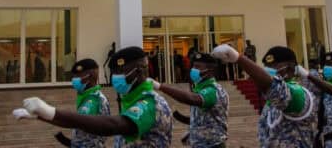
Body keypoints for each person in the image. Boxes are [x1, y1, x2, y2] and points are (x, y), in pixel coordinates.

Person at [13, 46, 173, 147]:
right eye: (113, 73)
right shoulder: (132, 100)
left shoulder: (150, 102)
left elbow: (111, 126)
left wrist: (51, 112)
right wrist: (40, 115)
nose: (114, 77)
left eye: (119, 72)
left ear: (139, 70)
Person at [212, 44, 315, 147]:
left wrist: (238, 58)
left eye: (274, 66)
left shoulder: (297, 93)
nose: (268, 70)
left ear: (291, 67)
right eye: (266, 67)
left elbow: (273, 86)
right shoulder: (272, 101)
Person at [152, 51, 229, 147]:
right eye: (193, 66)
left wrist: (160, 86)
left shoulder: (213, 90)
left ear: (210, 70)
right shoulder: (200, 89)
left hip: (213, 145)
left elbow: (191, 99)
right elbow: (204, 119)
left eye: (197, 67)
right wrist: (191, 131)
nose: (193, 70)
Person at [61, 58, 111, 147]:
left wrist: (47, 113)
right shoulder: (87, 96)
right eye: (74, 76)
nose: (74, 80)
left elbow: (77, 122)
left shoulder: (94, 99)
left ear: (90, 76)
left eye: (78, 76)